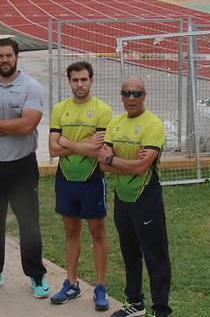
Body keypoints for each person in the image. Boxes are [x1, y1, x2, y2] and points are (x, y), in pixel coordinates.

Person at [0, 38, 50, 298]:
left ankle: (36, 277)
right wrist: (12, 125)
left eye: (9, 55)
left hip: (22, 166)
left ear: (17, 57)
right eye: (0, 56)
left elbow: (27, 126)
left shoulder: (31, 87)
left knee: (29, 225)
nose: (5, 60)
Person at [100, 78, 172, 317]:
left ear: (144, 95)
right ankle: (135, 303)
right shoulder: (115, 124)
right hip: (122, 198)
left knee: (155, 255)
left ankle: (161, 310)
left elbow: (142, 168)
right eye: (126, 93)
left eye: (136, 93)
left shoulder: (154, 125)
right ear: (121, 96)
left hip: (146, 197)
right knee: (129, 252)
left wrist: (114, 159)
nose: (131, 98)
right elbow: (103, 164)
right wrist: (120, 162)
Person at [48, 61, 113, 311]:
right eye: (75, 80)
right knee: (71, 232)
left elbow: (100, 149)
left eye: (84, 79)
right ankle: (72, 284)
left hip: (92, 181)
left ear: (91, 80)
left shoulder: (102, 110)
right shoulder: (60, 109)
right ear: (69, 82)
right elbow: (52, 149)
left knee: (97, 233)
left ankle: (100, 287)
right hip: (65, 180)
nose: (80, 84)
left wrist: (66, 141)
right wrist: (83, 144)